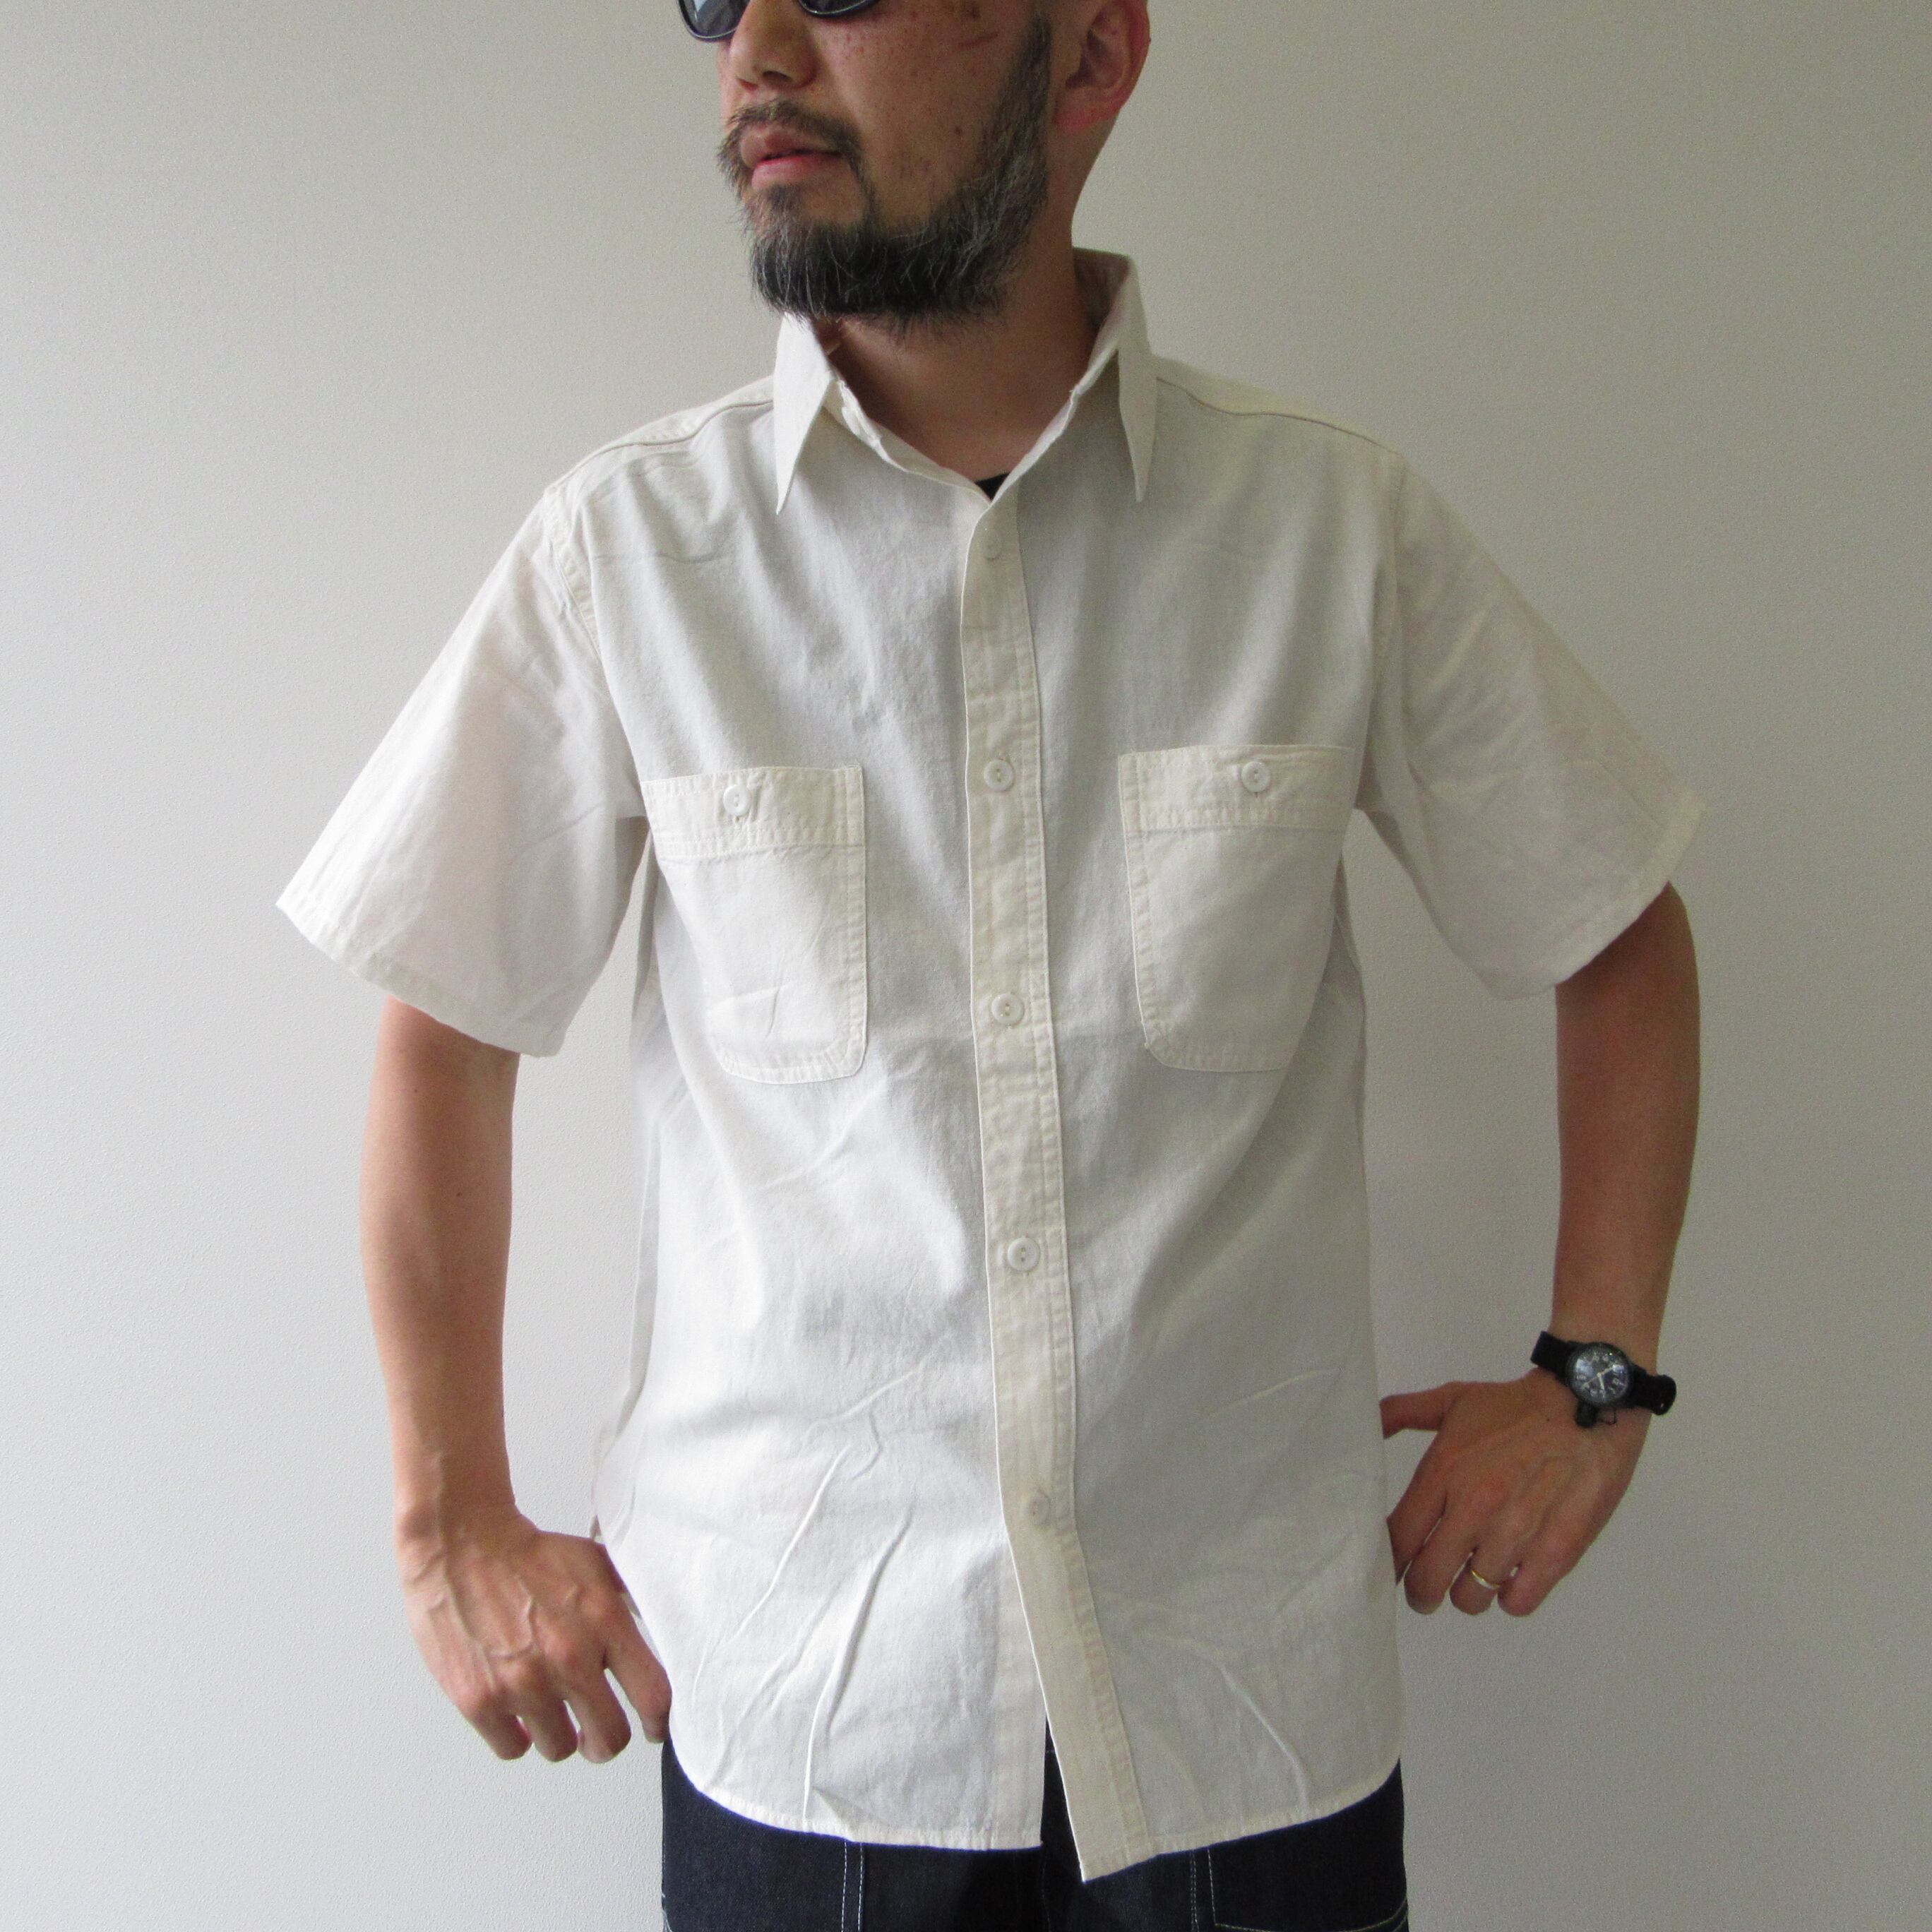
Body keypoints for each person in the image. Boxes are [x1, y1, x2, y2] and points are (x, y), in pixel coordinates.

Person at [275, 2, 1704, 1926]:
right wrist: (449, 1521)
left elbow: (1615, 926)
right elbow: (447, 1023)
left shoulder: (1326, 530)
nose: (756, 48)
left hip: (1243, 1719)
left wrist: (1592, 1378)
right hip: (805, 1718)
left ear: (1088, 58)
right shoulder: (634, 551)